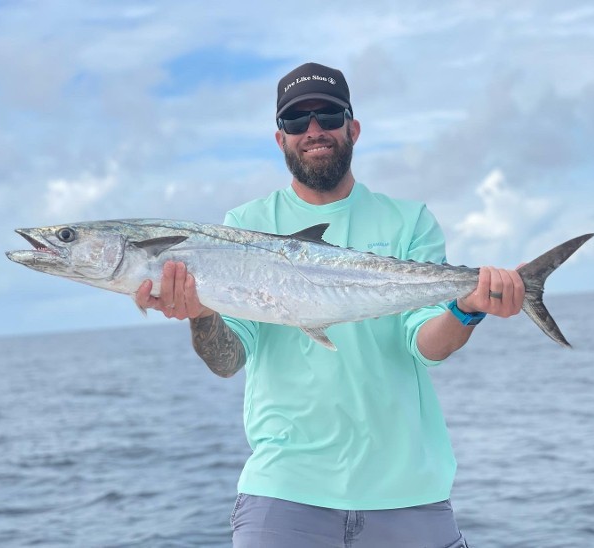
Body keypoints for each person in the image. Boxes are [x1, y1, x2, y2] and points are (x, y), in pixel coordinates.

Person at [136, 62, 524, 548]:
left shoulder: (409, 221)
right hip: (283, 492)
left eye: (328, 116)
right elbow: (228, 360)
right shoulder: (242, 226)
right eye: (298, 122)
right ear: (281, 139)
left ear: (353, 128)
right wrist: (201, 313)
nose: (313, 131)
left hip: (407, 491)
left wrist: (467, 307)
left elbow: (427, 345)